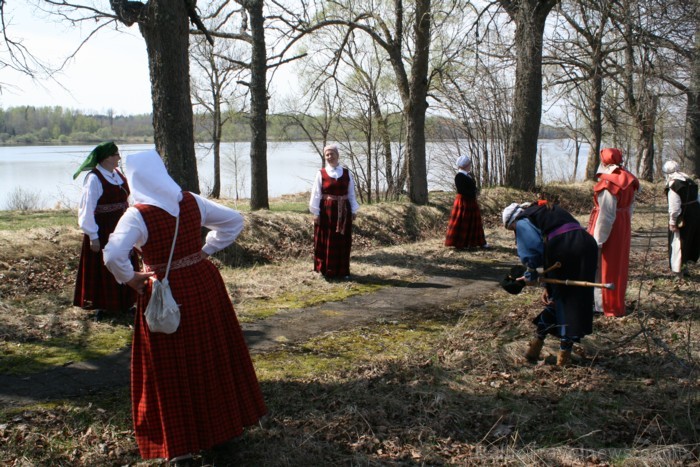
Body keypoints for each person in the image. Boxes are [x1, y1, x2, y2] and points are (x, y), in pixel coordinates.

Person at [103, 149, 266, 463]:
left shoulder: (137, 215)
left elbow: (112, 255)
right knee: (212, 355)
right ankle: (223, 434)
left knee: (172, 367)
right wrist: (205, 251)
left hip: (163, 293)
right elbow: (233, 221)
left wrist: (131, 278)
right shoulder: (190, 199)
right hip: (203, 285)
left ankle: (180, 447)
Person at [502, 201, 598, 366]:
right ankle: (538, 348)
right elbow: (548, 249)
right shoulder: (543, 211)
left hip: (566, 248)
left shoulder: (523, 221)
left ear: (513, 221)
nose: (515, 233)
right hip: (586, 245)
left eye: (512, 230)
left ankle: (562, 358)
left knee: (564, 302)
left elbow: (533, 251)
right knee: (570, 298)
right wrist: (547, 287)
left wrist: (530, 273)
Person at [72, 141, 137, 319]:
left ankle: (126, 301)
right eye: (116, 154)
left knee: (124, 259)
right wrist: (93, 235)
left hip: (122, 225)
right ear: (107, 158)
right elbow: (86, 208)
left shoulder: (116, 174)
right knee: (104, 265)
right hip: (104, 228)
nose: (119, 157)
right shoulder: (94, 178)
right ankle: (104, 305)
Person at [587, 148, 639, 317]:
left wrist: (598, 241)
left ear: (604, 162)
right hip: (622, 224)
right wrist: (625, 223)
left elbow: (606, 214)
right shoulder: (627, 179)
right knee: (618, 265)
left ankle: (604, 305)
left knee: (605, 265)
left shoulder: (609, 183)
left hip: (611, 228)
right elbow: (629, 206)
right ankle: (613, 303)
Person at [309, 144, 360, 279]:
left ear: (338, 155)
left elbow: (351, 193)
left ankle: (342, 271)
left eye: (332, 154)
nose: (330, 157)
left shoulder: (346, 173)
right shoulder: (321, 174)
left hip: (344, 210)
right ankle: (326, 270)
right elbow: (316, 194)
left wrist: (354, 209)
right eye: (327, 155)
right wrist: (316, 212)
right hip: (327, 211)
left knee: (343, 240)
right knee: (327, 239)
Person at [663, 160, 700, 277]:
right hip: (695, 213)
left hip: (683, 216)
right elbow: (698, 199)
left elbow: (674, 206)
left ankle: (679, 270)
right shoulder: (690, 181)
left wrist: (673, 222)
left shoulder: (674, 184)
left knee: (679, 241)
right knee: (689, 240)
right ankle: (685, 267)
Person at [444, 155, 489, 249]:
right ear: (464, 165)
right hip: (463, 201)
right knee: (463, 221)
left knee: (474, 222)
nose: (470, 166)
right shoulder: (459, 176)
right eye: (469, 164)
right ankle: (462, 243)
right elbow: (461, 190)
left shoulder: (468, 175)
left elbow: (472, 186)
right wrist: (473, 193)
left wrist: (475, 191)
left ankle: (476, 242)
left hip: (471, 201)